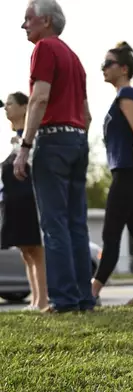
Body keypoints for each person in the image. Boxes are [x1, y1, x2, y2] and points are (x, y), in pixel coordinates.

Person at [14, 0, 95, 313]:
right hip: (77, 140)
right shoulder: (74, 58)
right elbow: (86, 114)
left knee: (53, 224)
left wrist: (25, 145)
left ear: (45, 20)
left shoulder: (44, 48)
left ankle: (62, 300)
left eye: (28, 19)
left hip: (53, 140)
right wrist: (78, 141)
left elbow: (39, 98)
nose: (24, 26)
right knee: (76, 223)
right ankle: (82, 297)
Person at [91, 42, 133, 305]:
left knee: (111, 232)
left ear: (124, 68)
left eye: (108, 64)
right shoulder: (122, 95)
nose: (103, 68)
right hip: (127, 170)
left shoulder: (127, 94)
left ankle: (92, 292)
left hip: (128, 171)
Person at [2, 92, 48, 311]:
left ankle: (42, 300)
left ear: (23, 107)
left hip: (30, 201)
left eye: (10, 104)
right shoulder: (12, 141)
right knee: (26, 252)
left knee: (37, 251)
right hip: (15, 204)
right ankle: (34, 300)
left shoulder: (31, 137)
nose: (6, 108)